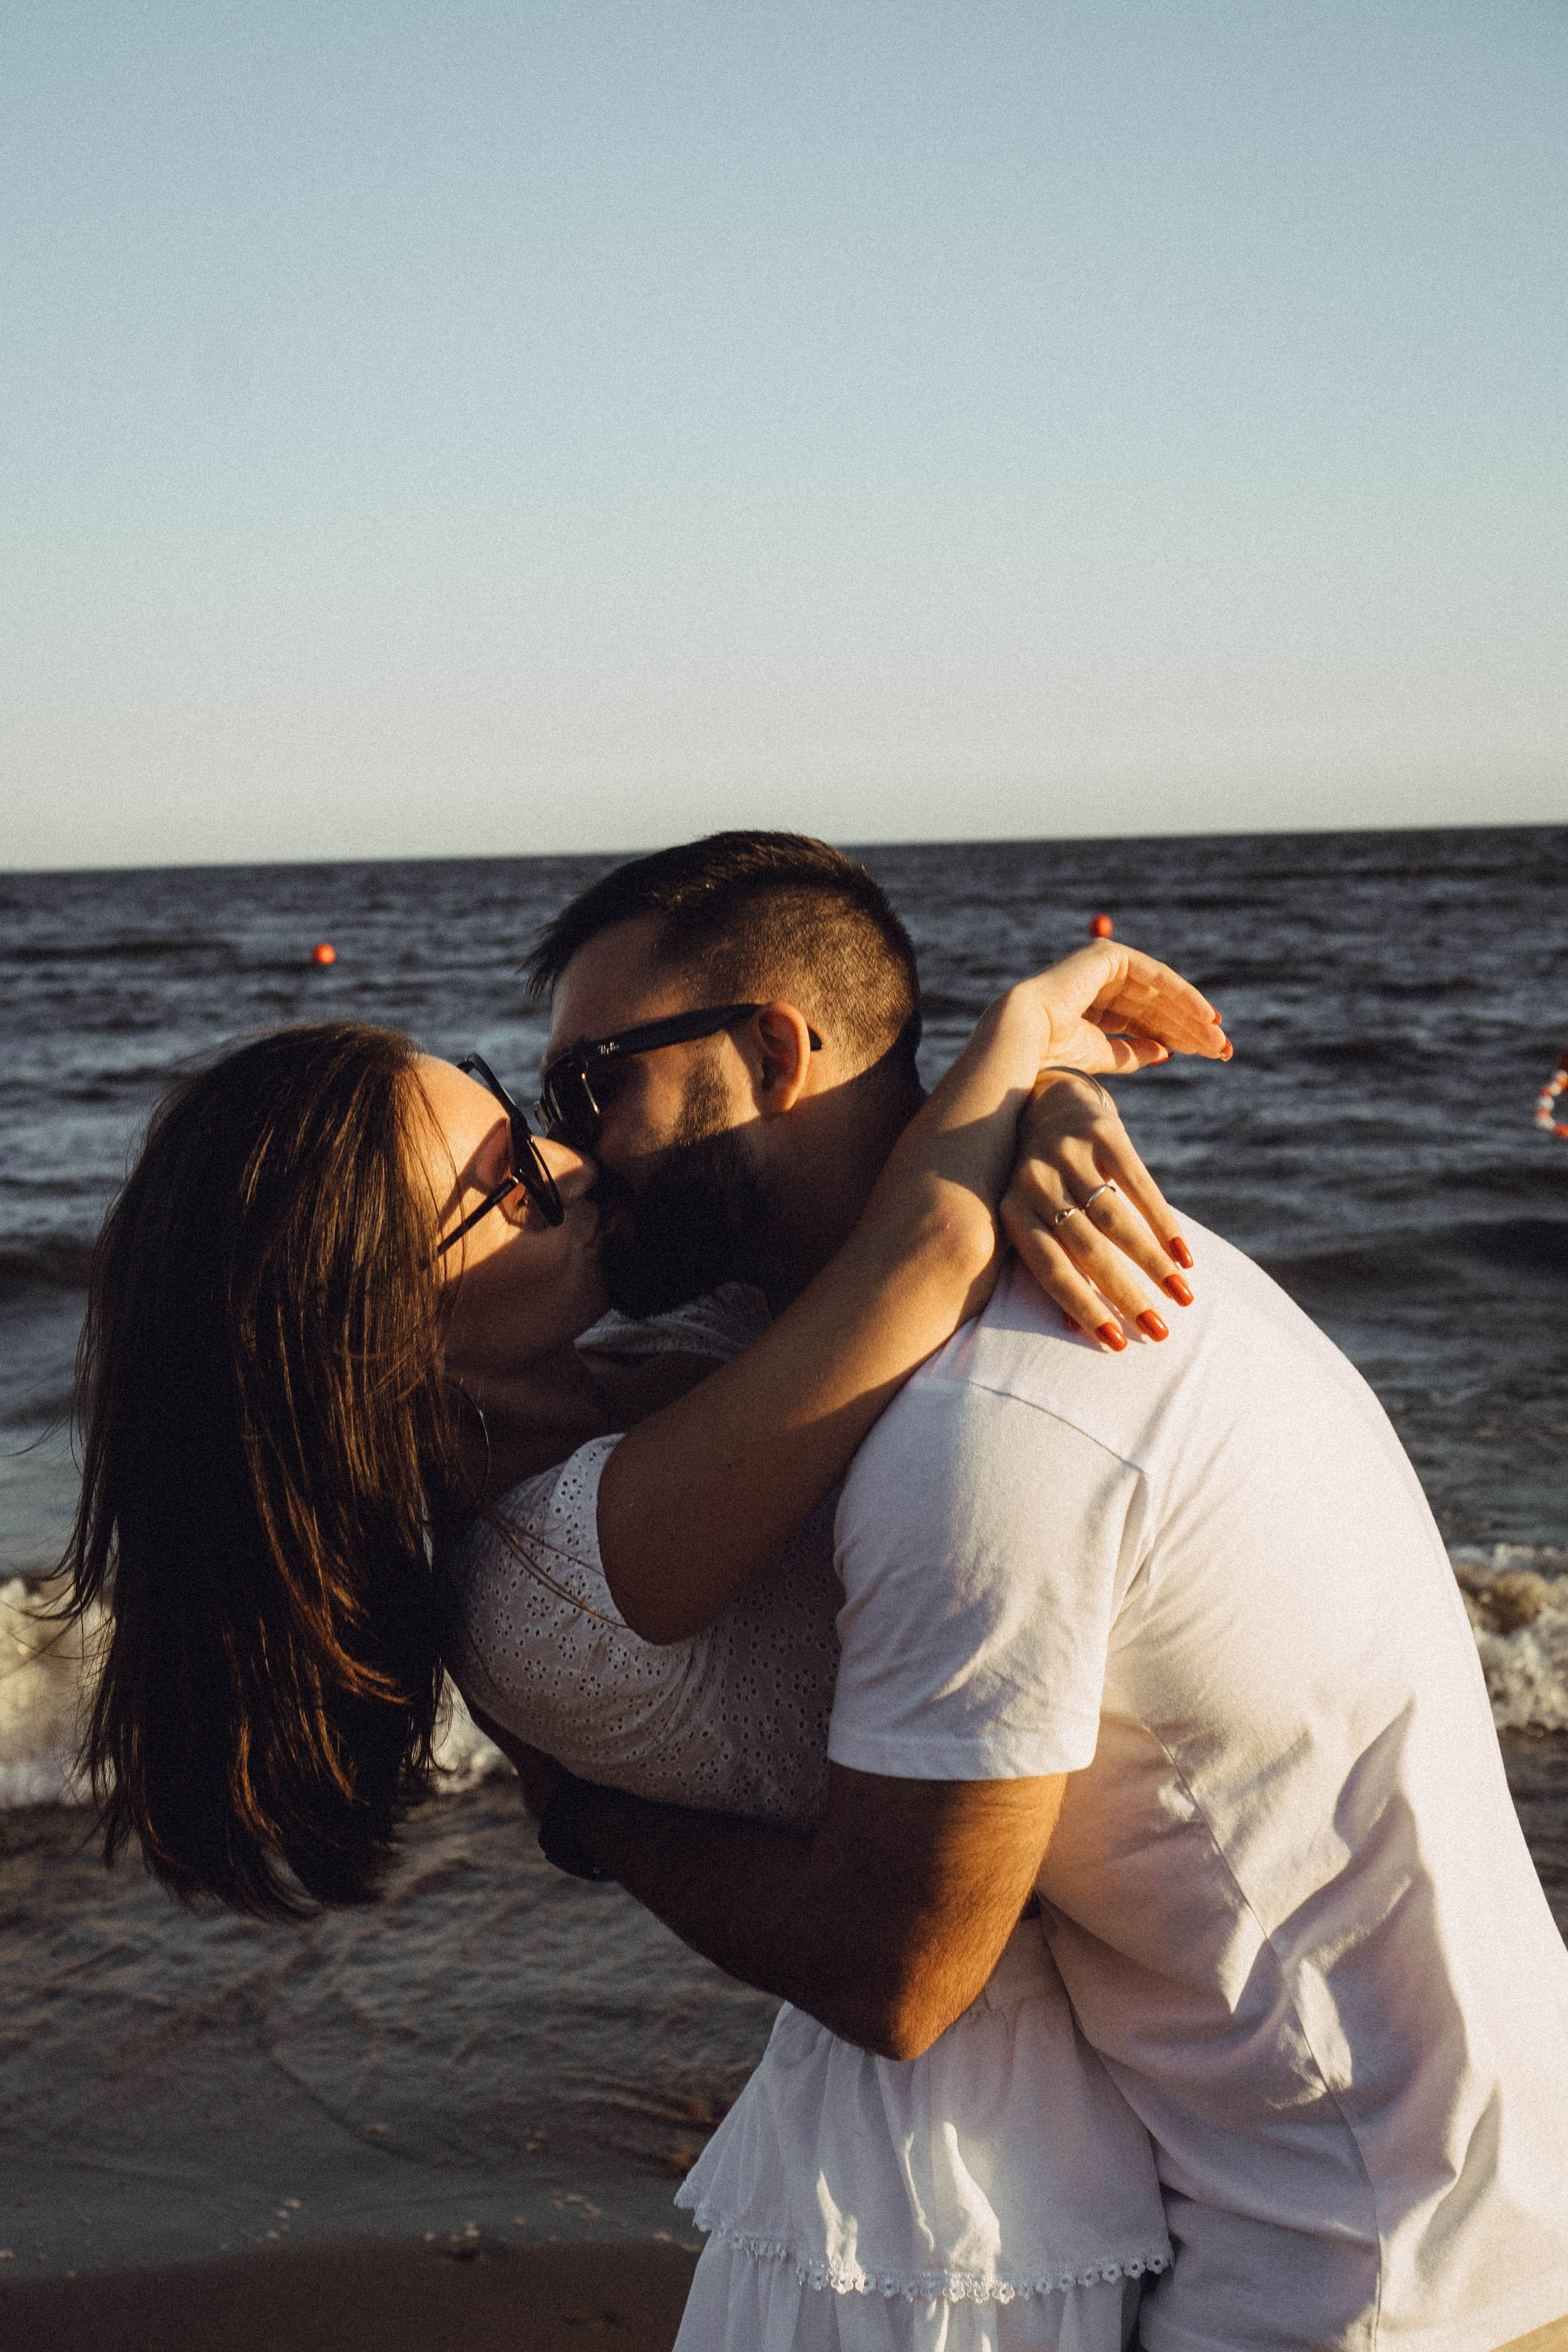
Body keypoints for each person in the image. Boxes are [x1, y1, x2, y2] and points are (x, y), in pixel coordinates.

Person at [66, 922, 1226, 2349]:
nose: (571, 1166)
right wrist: (1034, 1025)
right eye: (505, 1184)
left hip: (1058, 2096)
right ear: (379, 1332)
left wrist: (1056, 1113)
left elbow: (867, 1216)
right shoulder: (553, 1561)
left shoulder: (647, 1371)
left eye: (525, 1123)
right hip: (953, 2199)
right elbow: (925, 1248)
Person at [506, 831, 1568, 2352]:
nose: (576, 1149)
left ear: (769, 1051)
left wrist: (583, 1815)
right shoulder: (936, 1319)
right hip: (1427, 2209)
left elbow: (897, 1970)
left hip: (1360, 2281)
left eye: (594, 1084)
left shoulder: (986, 1429)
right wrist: (1023, 1093)